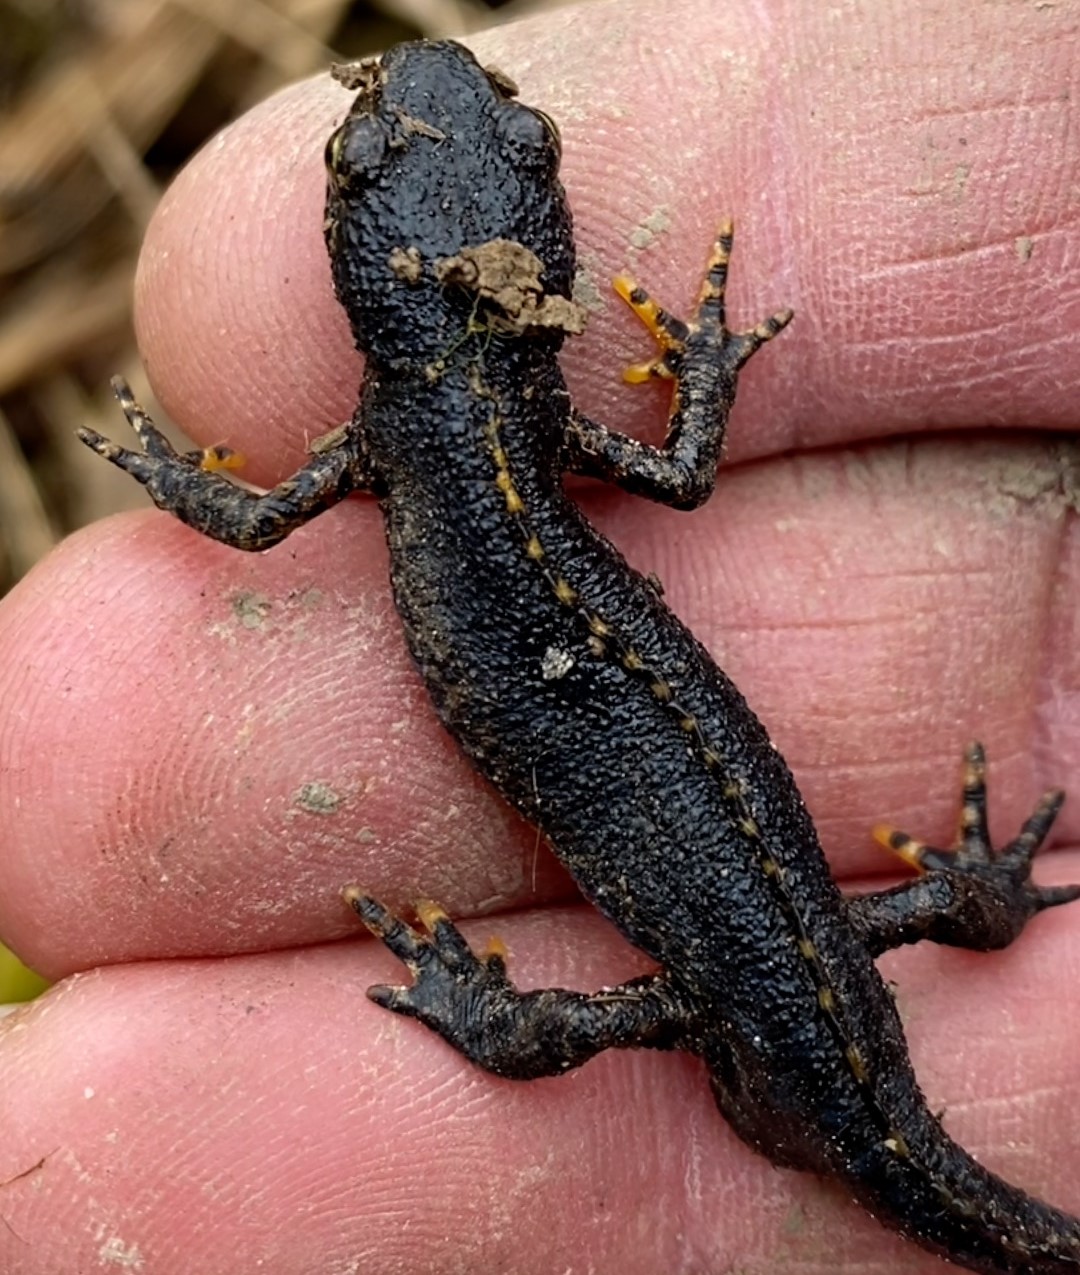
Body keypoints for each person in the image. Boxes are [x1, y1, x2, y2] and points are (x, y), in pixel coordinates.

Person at [1, 3, 1078, 1270]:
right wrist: (707, 369)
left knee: (692, 999)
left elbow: (251, 522)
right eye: (368, 159)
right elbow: (681, 475)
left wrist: (163, 471)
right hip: (773, 930)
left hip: (736, 972)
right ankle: (977, 904)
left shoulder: (388, 438)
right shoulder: (522, 422)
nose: (422, 87)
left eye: (524, 140)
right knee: (784, 965)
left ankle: (511, 1023)